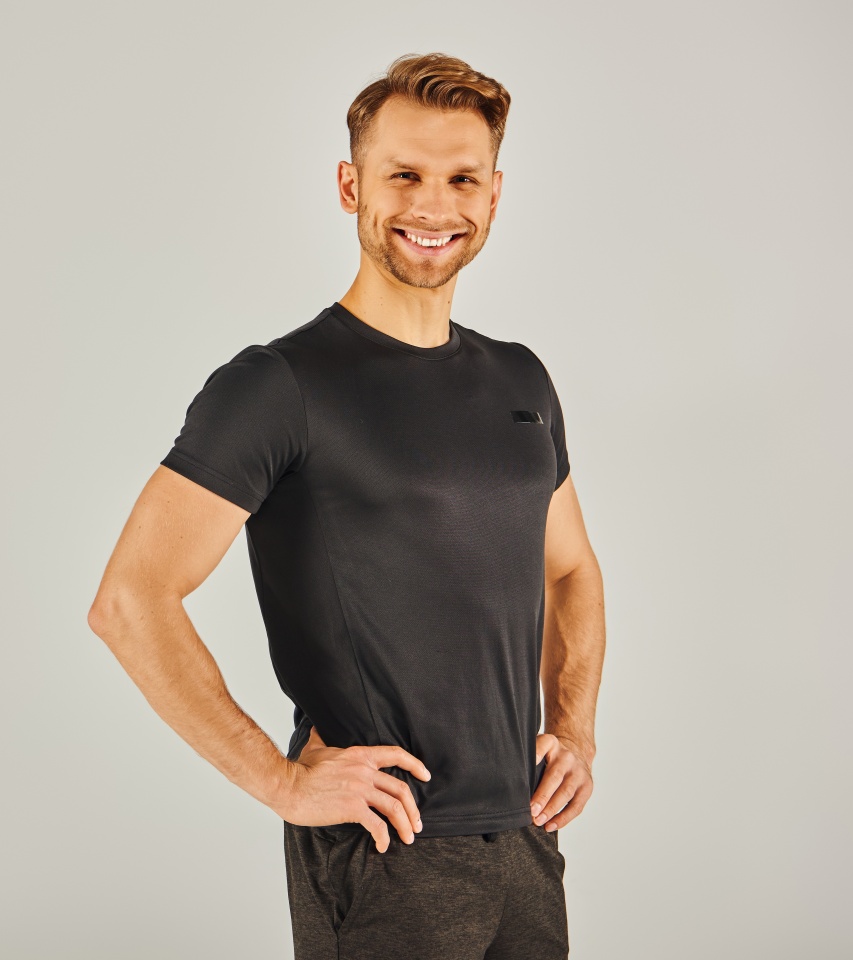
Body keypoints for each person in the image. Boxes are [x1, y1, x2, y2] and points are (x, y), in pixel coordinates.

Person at [88, 51, 605, 960]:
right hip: (385, 853)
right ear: (348, 184)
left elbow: (569, 569)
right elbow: (131, 600)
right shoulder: (277, 385)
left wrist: (573, 728)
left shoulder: (522, 379)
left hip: (526, 845)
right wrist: (283, 784)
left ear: (494, 196)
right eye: (403, 174)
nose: (432, 205)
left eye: (461, 178)